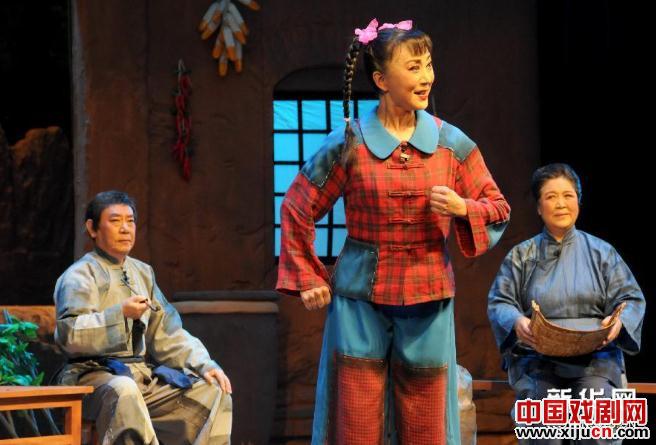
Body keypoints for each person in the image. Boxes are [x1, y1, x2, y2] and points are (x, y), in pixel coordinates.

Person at [276, 18, 510, 445]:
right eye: (414, 67)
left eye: (428, 65)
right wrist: (308, 275)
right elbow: (297, 204)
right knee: (356, 412)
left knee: (426, 418)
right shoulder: (350, 142)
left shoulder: (450, 144)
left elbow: (498, 208)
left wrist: (463, 207)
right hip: (359, 299)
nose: (426, 77)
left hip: (428, 295)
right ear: (382, 80)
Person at [54, 190, 233, 445]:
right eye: (115, 221)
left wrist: (204, 364)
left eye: (130, 221)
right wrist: (119, 314)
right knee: (124, 390)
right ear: (92, 229)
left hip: (141, 377)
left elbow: (168, 332)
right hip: (93, 377)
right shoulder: (80, 275)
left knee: (213, 391)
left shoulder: (143, 273)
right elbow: (69, 334)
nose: (125, 229)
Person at [487, 163, 645, 444]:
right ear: (539, 207)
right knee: (542, 428)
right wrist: (517, 321)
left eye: (568, 195)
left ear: (578, 202)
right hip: (538, 362)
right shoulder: (522, 255)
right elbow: (501, 301)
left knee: (596, 422)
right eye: (551, 197)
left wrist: (618, 323)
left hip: (596, 361)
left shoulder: (602, 253)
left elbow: (630, 298)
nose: (560, 204)